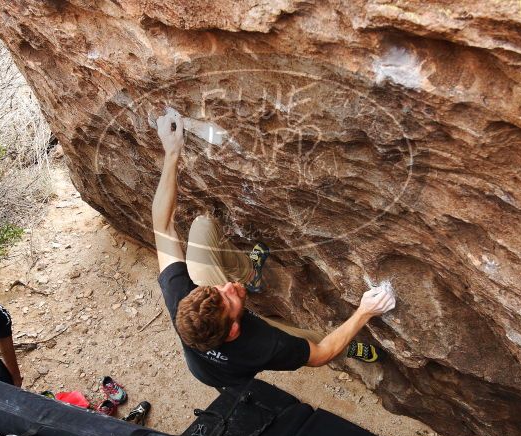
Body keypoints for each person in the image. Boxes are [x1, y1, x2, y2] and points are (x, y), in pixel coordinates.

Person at [152, 110, 396, 388]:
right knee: (314, 341)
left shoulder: (183, 301)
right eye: (229, 299)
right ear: (234, 330)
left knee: (203, 228)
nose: (227, 286)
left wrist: (171, 152)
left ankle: (251, 275)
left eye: (217, 290)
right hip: (217, 372)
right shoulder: (261, 346)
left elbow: (163, 226)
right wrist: (365, 311)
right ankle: (349, 349)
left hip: (211, 333)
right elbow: (319, 356)